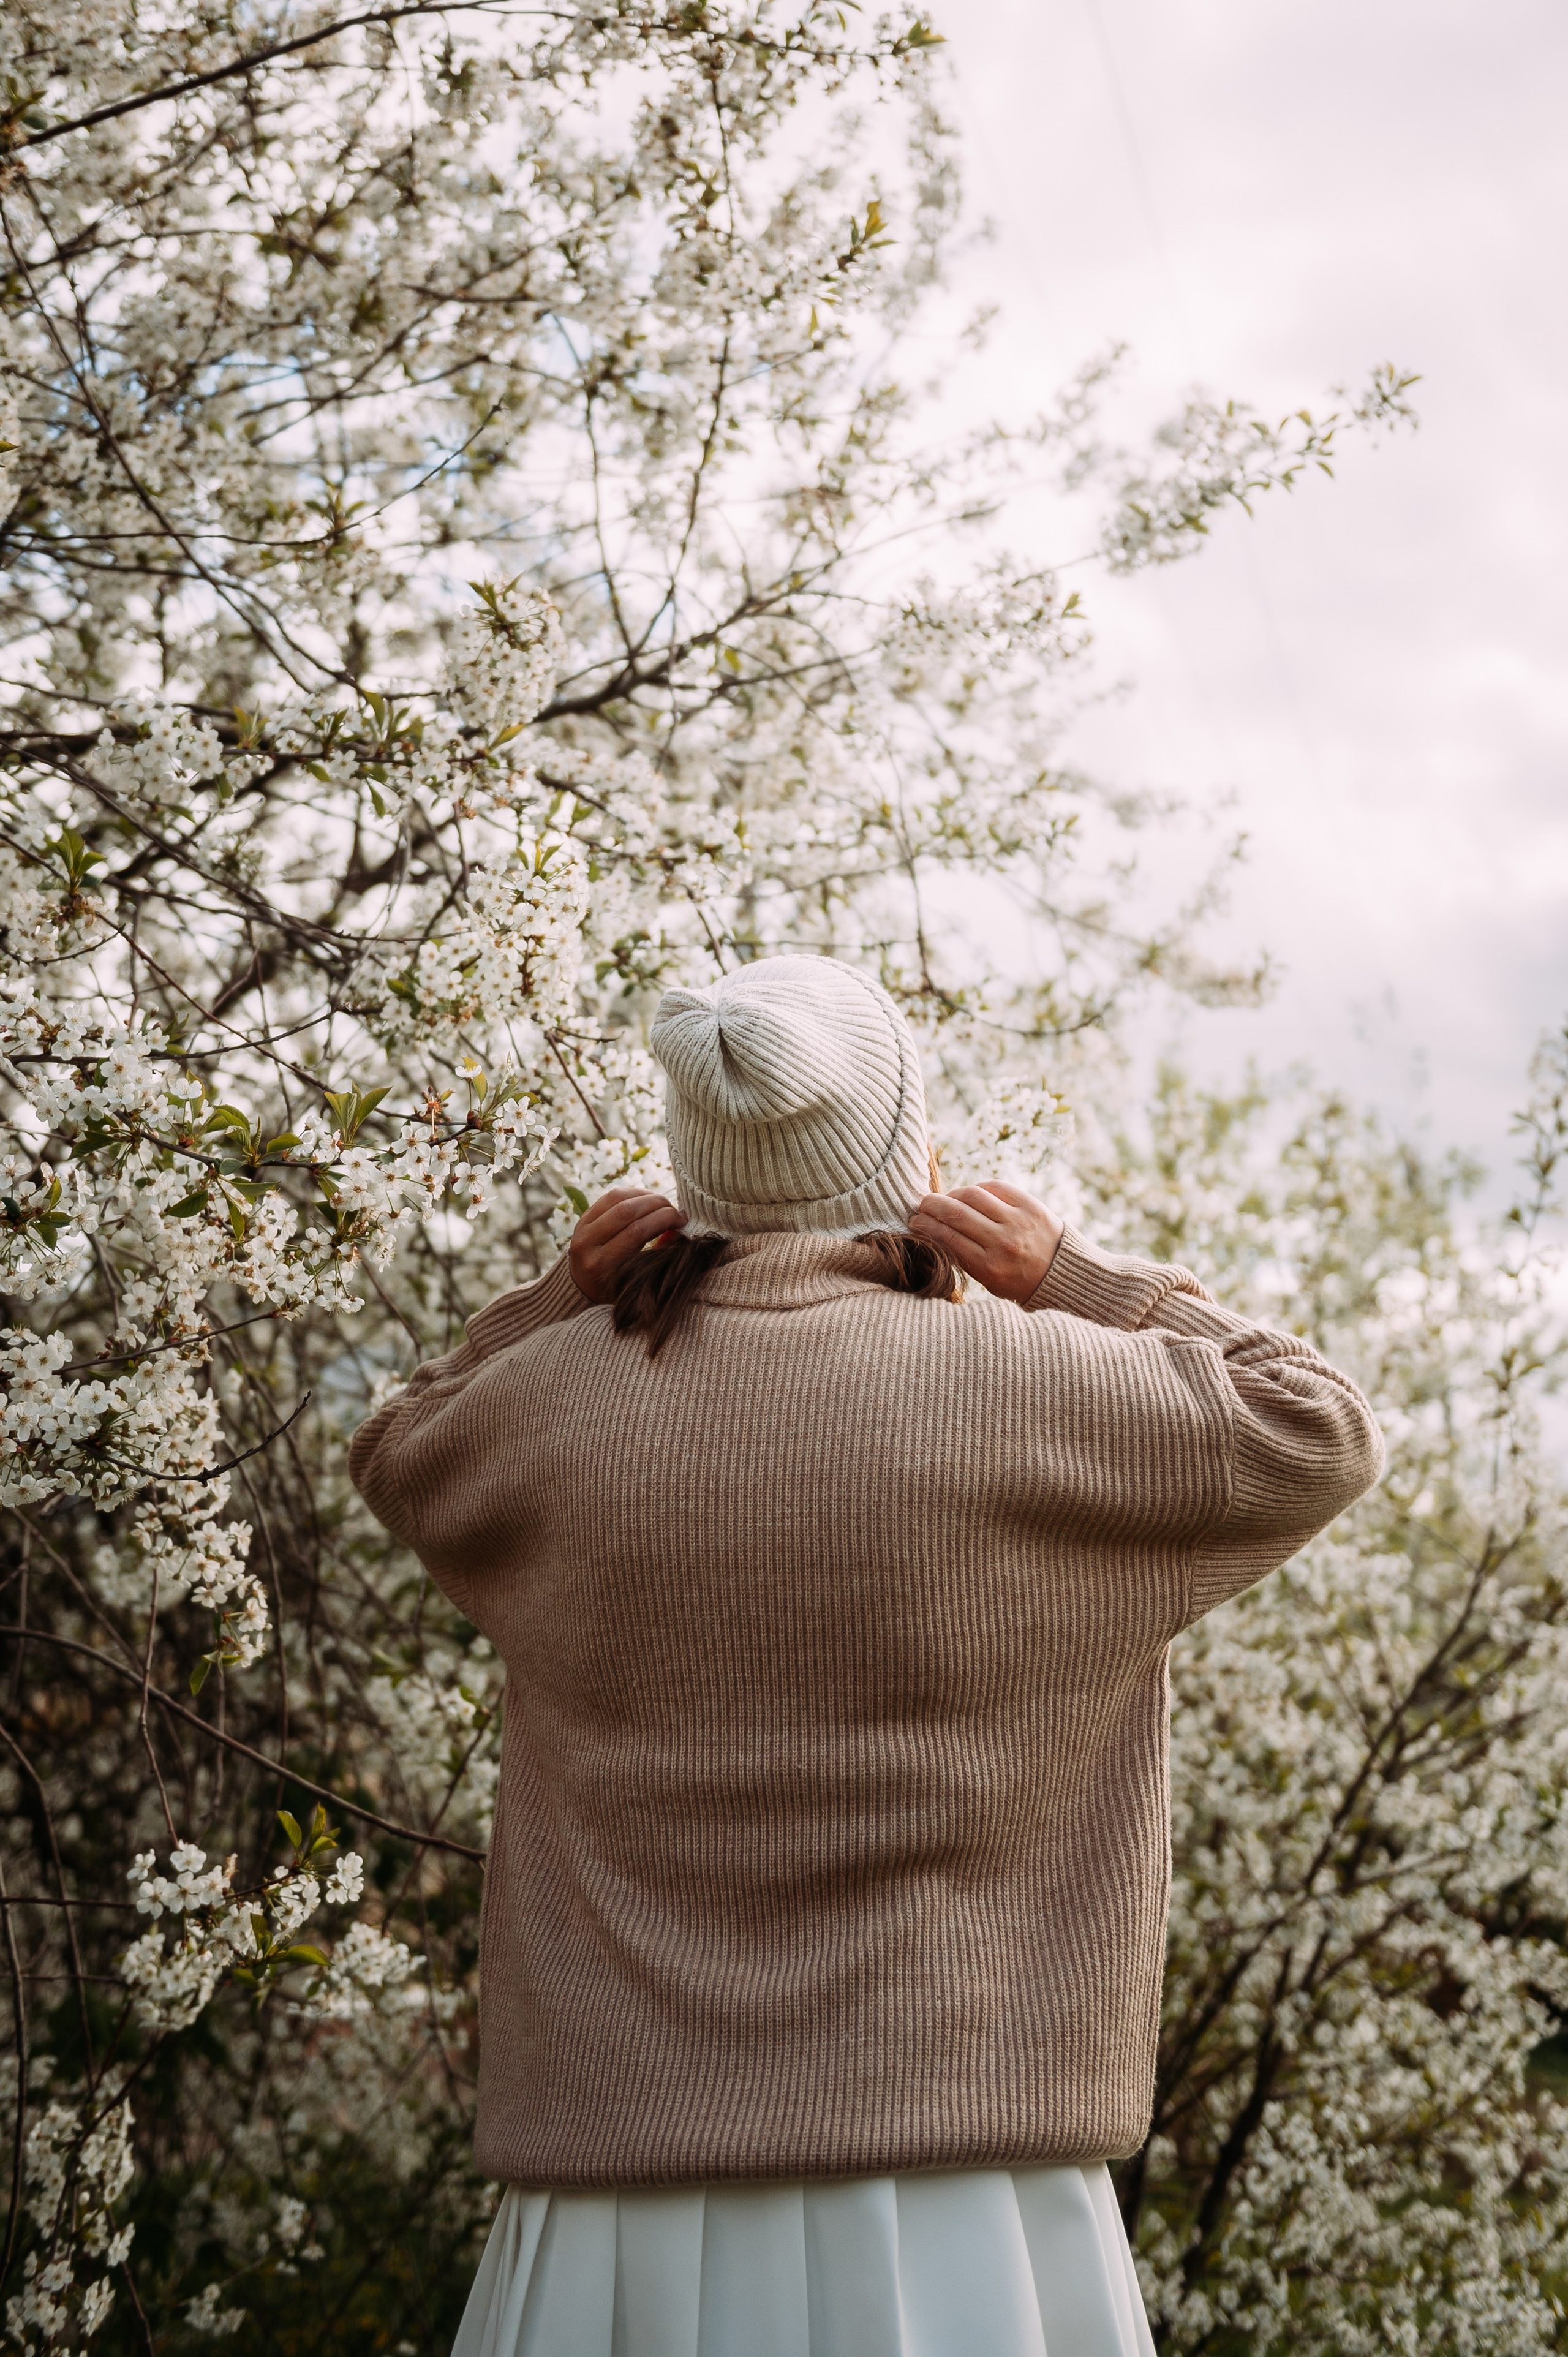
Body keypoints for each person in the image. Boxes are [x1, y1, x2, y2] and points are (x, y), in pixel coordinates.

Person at [350, 955, 1384, 2357]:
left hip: (610, 2194)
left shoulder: (556, 1406)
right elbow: (1314, 1421)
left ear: (690, 1167)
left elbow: (399, 1441)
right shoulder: (1026, 1394)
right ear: (906, 1160)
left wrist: (552, 1302)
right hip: (972, 2202)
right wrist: (1067, 1278)